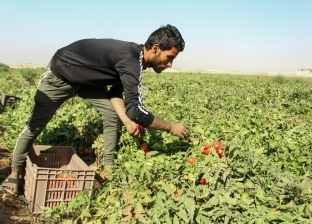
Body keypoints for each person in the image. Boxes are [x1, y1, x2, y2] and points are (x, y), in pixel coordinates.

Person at [1, 24, 191, 195]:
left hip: (89, 82)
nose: (170, 64)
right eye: (170, 58)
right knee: (36, 124)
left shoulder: (137, 61)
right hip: (61, 75)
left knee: (110, 116)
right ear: (156, 48)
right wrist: (171, 127)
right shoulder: (130, 60)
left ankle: (108, 168)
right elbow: (135, 110)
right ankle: (15, 172)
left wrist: (126, 121)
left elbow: (116, 94)